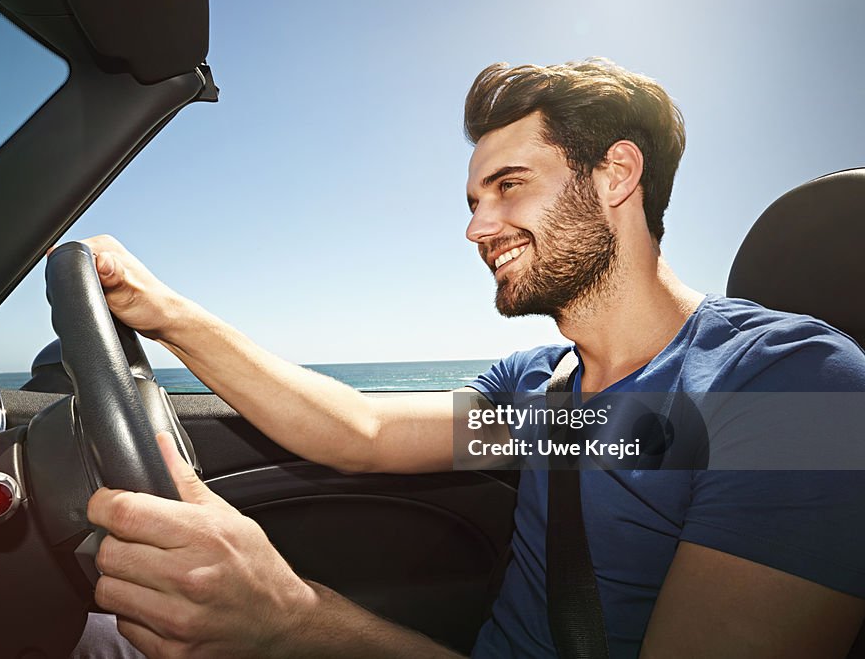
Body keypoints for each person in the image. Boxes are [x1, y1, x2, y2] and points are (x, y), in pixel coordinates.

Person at [70, 59, 865, 658]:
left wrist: (291, 620)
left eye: (509, 185)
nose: (477, 228)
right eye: (473, 201)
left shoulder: (794, 391)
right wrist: (166, 315)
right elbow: (364, 429)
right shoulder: (540, 391)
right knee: (115, 630)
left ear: (617, 174)